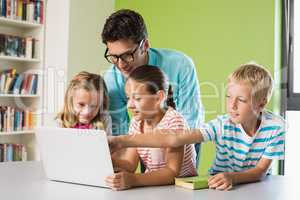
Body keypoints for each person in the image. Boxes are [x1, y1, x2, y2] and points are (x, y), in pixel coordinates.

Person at [108, 63, 285, 191]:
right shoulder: (221, 124)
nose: (232, 106)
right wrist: (118, 143)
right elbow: (174, 138)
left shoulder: (275, 128)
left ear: (261, 104)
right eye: (228, 97)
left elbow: (260, 171)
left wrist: (233, 177)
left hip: (250, 187)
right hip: (216, 185)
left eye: (241, 100)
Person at [101, 9, 204, 160]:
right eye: (114, 57)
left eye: (127, 55)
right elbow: (120, 134)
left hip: (185, 143)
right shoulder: (112, 79)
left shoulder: (181, 65)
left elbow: (189, 126)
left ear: (145, 45)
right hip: (143, 141)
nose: (121, 64)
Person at [105, 65, 197, 191]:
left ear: (158, 98)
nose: (129, 105)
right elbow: (130, 164)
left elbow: (171, 173)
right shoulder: (136, 122)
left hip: (180, 190)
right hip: (154, 189)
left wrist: (133, 179)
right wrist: (105, 159)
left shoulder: (174, 122)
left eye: (137, 98)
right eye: (128, 98)